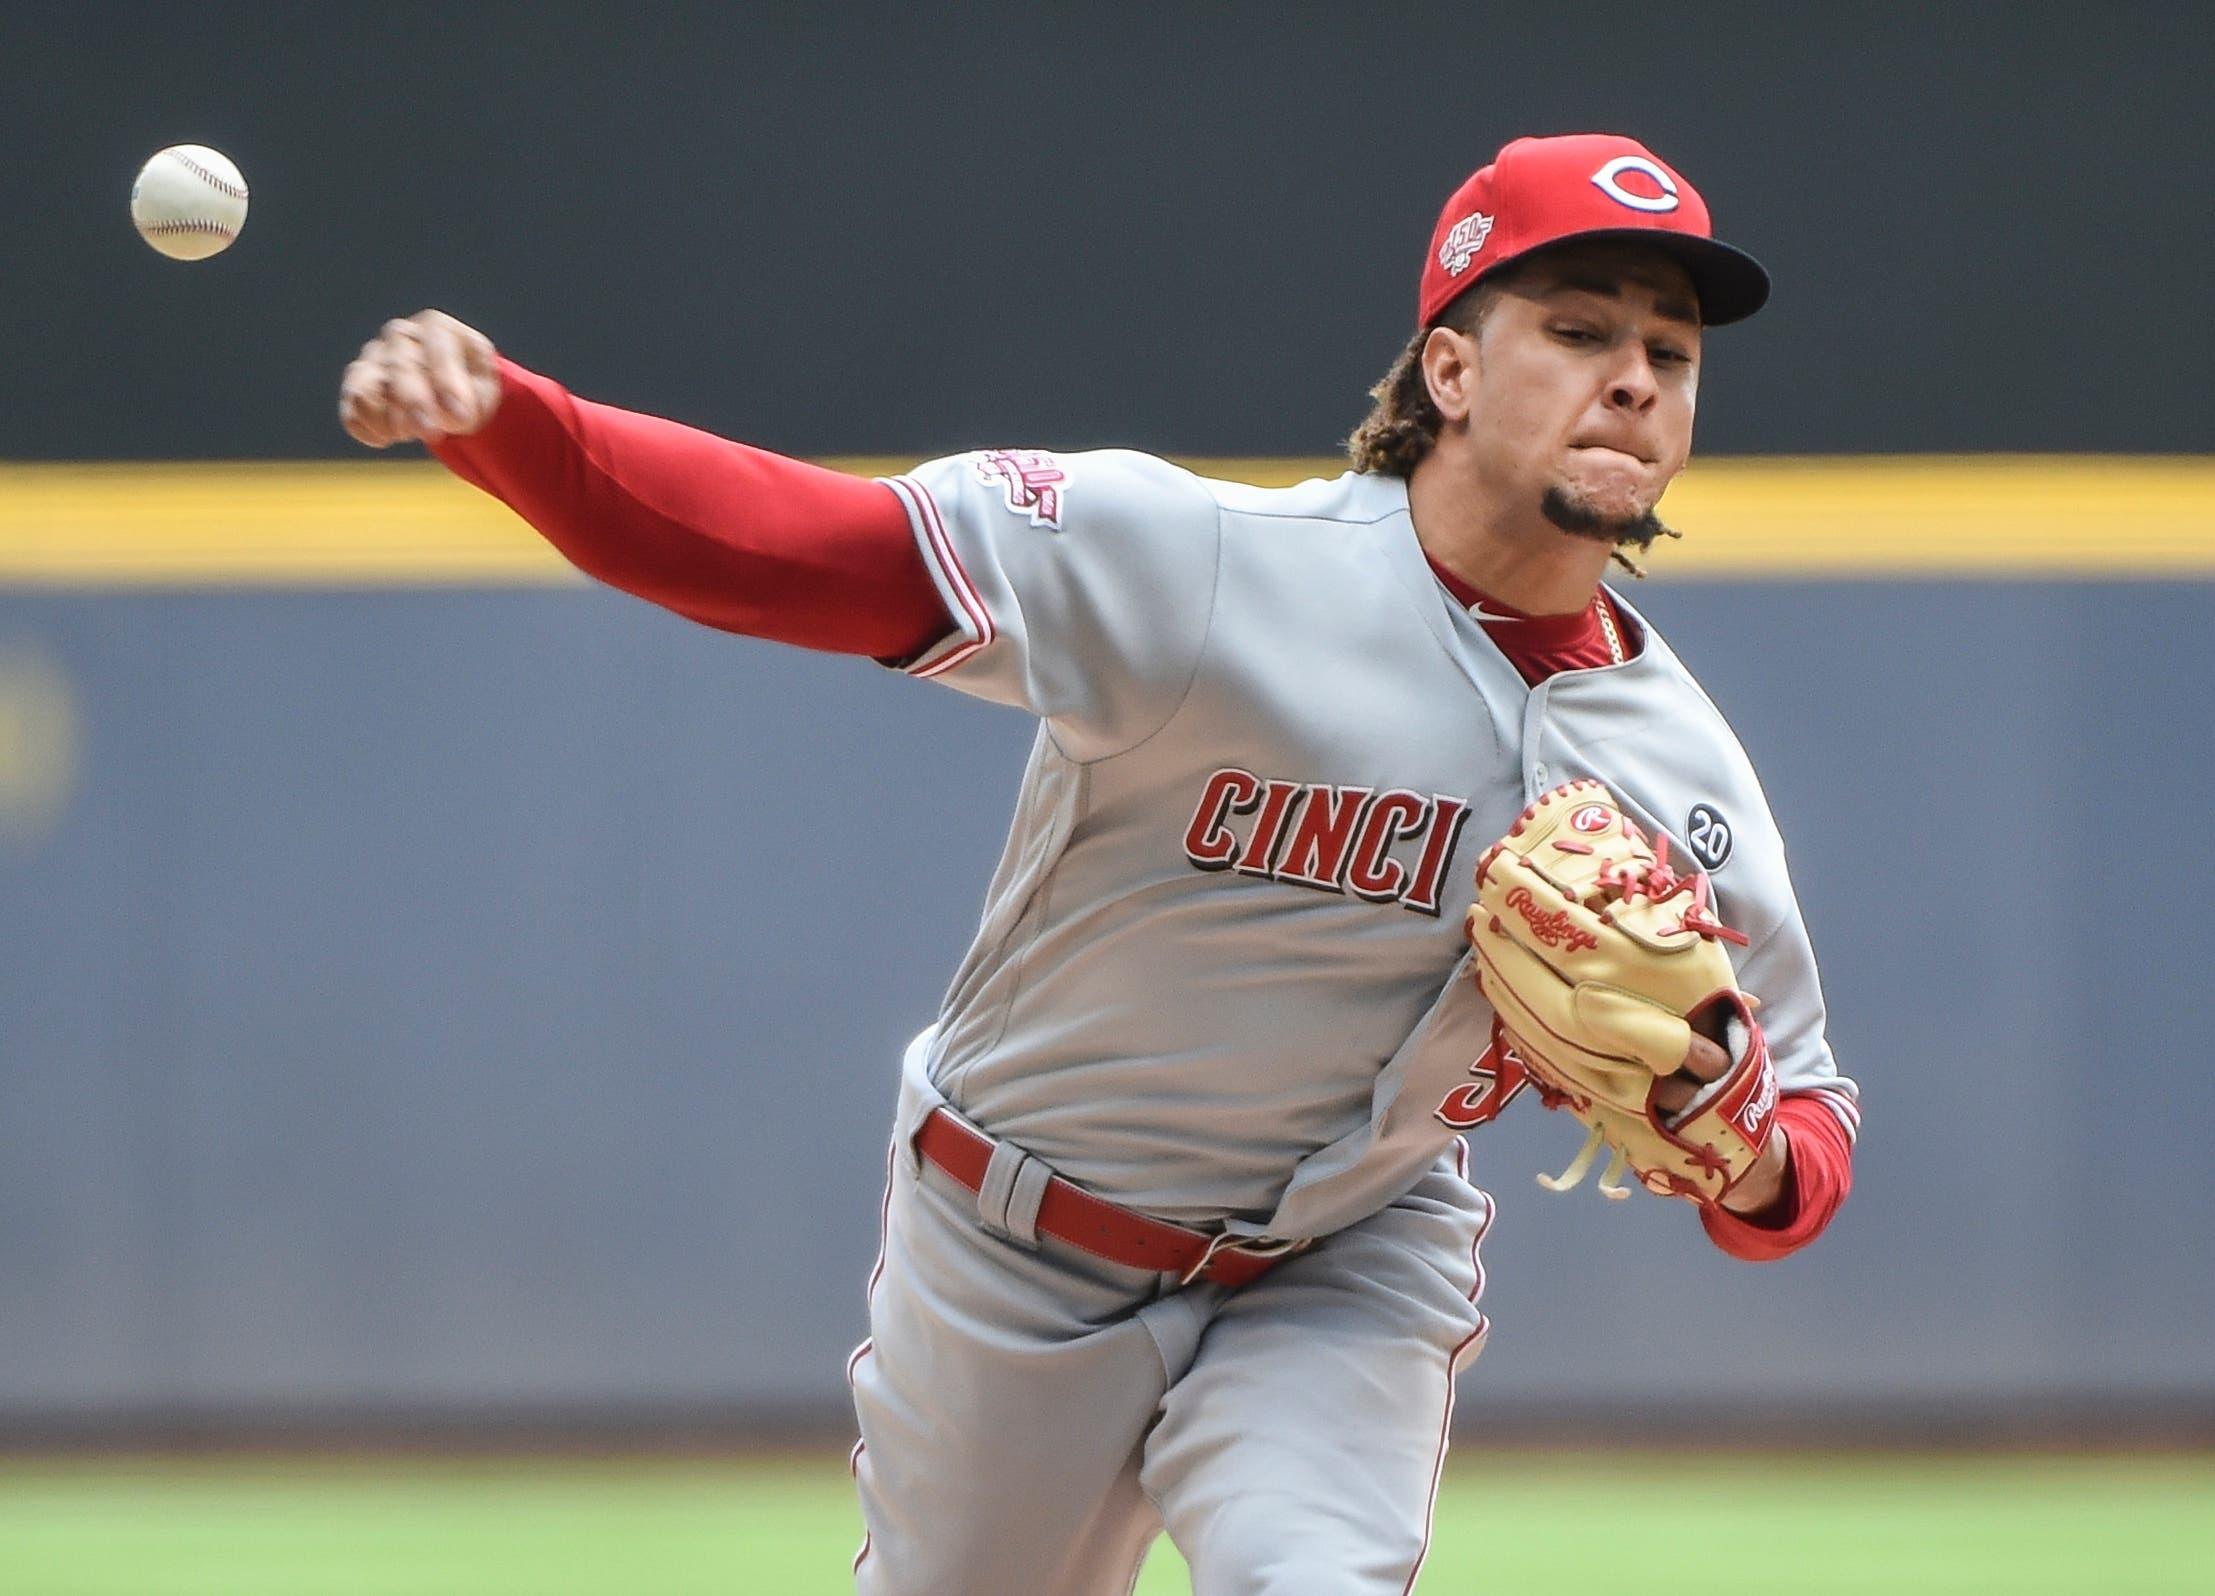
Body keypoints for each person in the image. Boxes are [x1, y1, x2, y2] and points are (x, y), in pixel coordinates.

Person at [339, 132, 1860, 1596]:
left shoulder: (1681, 770)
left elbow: (1800, 1137)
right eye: (1581, 328)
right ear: (1449, 371)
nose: (1634, 380)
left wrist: (1745, 1147)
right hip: (1019, 1244)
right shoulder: (1202, 569)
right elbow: (801, 551)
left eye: (1671, 355)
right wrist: (514, 428)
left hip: (1347, 1262)